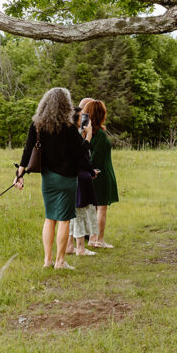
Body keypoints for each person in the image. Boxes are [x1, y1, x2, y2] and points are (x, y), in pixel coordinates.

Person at [14, 87, 93, 270]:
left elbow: (27, 152)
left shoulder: (37, 125)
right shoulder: (67, 128)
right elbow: (81, 152)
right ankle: (60, 261)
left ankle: (47, 260)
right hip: (66, 179)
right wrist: (87, 136)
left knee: (50, 218)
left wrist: (19, 175)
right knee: (64, 220)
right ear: (65, 105)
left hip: (48, 178)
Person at [67, 98, 100, 256]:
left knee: (73, 213)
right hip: (80, 178)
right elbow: (82, 157)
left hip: (72, 177)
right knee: (80, 213)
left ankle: (69, 245)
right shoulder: (77, 136)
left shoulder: (68, 134)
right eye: (82, 117)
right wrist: (89, 136)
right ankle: (80, 247)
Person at [86, 99, 118, 248]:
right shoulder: (99, 135)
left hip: (93, 174)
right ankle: (98, 239)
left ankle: (94, 238)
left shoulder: (87, 133)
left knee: (94, 208)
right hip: (100, 174)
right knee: (101, 208)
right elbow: (95, 158)